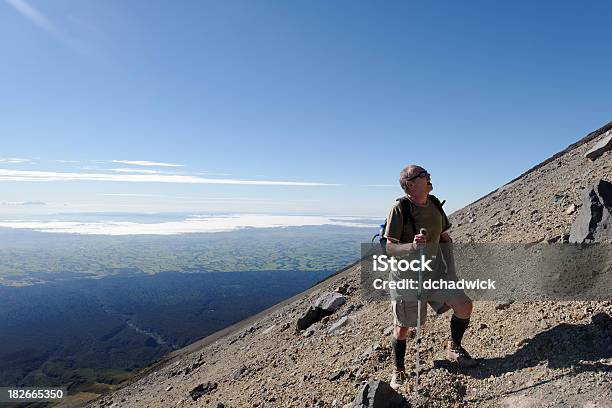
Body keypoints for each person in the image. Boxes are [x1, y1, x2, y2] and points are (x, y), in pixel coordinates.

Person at [384, 164, 477, 391]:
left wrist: (451, 271)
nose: (428, 176)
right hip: (407, 278)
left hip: (435, 274)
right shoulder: (400, 209)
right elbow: (390, 248)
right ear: (410, 184)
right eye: (423, 174)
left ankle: (453, 347)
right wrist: (412, 246)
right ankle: (398, 371)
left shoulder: (434, 203)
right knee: (403, 328)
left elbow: (444, 237)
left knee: (464, 305)